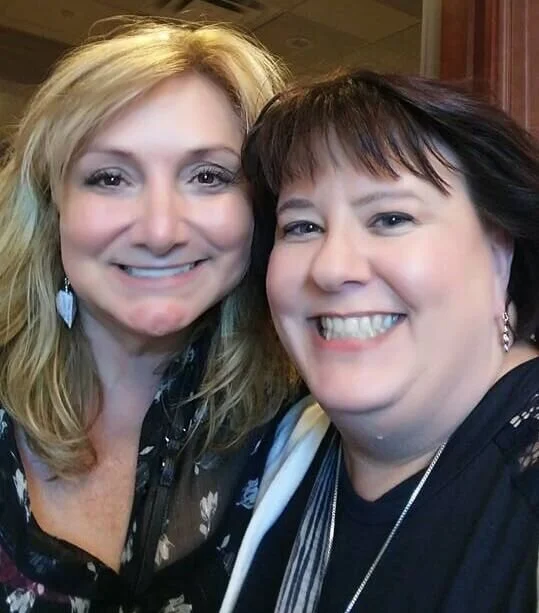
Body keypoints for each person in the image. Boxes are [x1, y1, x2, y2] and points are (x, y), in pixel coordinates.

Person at [0, 19, 300, 612]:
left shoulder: (312, 434)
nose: (160, 231)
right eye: (110, 178)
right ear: (52, 208)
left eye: (208, 177)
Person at [220, 70, 539, 613]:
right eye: (302, 227)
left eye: (391, 218)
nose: (332, 268)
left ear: (499, 251)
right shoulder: (277, 449)